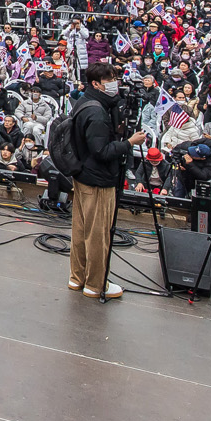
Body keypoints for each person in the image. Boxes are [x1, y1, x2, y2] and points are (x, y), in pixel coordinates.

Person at [67, 62, 148, 300]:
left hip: (82, 176)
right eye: (110, 80)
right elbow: (101, 151)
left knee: (81, 231)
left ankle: (77, 277)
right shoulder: (97, 113)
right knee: (98, 234)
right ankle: (95, 284)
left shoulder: (85, 102)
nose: (115, 85)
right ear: (96, 83)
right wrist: (130, 143)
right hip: (98, 181)